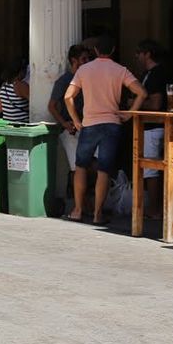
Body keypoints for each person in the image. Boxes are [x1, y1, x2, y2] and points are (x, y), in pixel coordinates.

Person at [63, 34, 146, 224]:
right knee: (104, 169)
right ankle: (98, 214)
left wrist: (76, 120)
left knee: (81, 166)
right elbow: (142, 92)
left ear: (96, 51)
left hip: (90, 124)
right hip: (112, 124)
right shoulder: (120, 70)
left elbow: (68, 97)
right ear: (114, 50)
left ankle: (77, 210)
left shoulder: (84, 70)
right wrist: (131, 113)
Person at [48, 45, 91, 207]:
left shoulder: (87, 78)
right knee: (77, 167)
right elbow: (51, 106)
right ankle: (81, 204)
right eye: (84, 59)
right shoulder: (64, 81)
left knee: (86, 165)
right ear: (74, 61)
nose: (87, 62)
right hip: (71, 129)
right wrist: (65, 124)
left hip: (86, 126)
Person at [133, 40, 167, 219]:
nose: (137, 57)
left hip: (153, 126)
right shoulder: (148, 73)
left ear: (147, 53)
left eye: (139, 53)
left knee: (151, 169)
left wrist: (134, 104)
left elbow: (155, 103)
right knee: (152, 168)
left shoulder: (155, 74)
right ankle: (156, 208)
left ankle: (154, 209)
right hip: (152, 127)